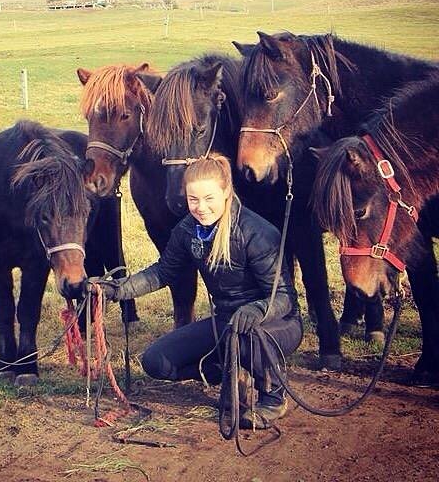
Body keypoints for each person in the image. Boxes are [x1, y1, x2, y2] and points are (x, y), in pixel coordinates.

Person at [92, 154, 303, 429]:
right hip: (226, 322)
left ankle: (273, 398)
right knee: (156, 361)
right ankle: (228, 368)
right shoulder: (187, 230)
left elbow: (285, 298)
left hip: (274, 324)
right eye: (193, 200)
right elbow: (163, 272)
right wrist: (117, 290)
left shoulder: (257, 233)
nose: (201, 208)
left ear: (226, 192)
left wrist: (258, 309)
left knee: (246, 337)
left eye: (209, 198)